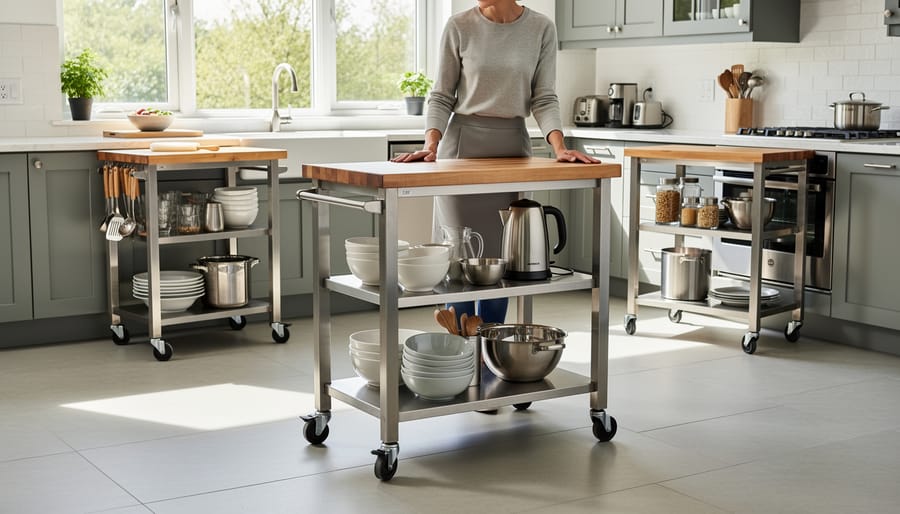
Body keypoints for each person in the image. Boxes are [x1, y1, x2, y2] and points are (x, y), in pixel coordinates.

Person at [392, 0, 599, 326]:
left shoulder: (541, 28)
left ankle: (491, 344)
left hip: (512, 152)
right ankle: (462, 350)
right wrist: (430, 146)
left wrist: (560, 147)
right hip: (461, 151)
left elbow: (544, 96)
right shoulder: (458, 26)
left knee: (504, 258)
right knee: (461, 255)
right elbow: (442, 95)